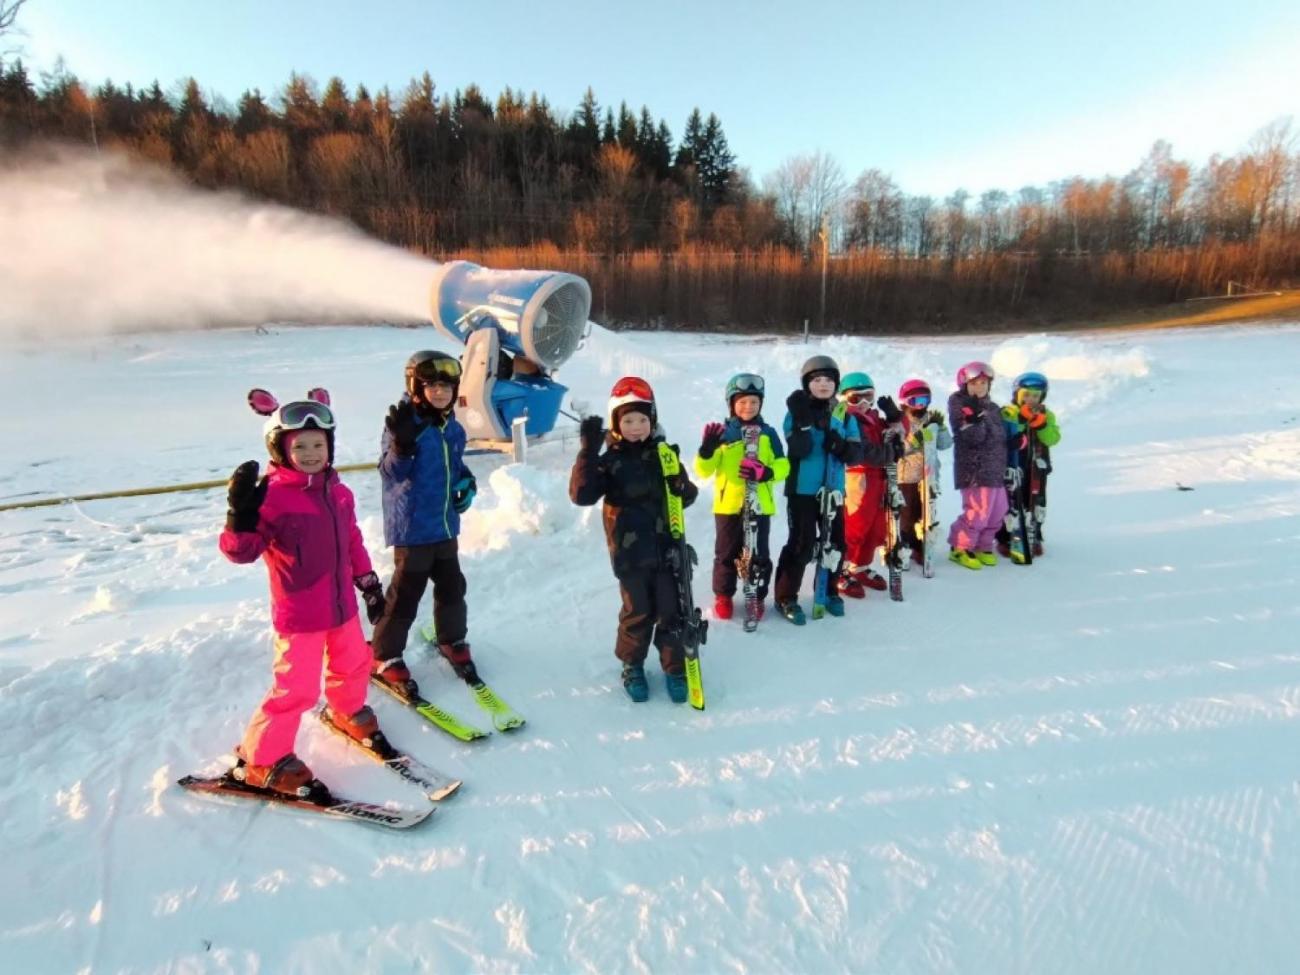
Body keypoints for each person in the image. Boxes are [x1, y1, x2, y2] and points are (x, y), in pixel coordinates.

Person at [220, 388, 388, 796]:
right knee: (296, 689)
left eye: (318, 445)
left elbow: (352, 540)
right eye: (301, 446)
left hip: (342, 607)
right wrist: (239, 518)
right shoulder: (272, 498)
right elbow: (242, 552)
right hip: (300, 615)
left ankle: (347, 709)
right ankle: (262, 759)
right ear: (281, 449)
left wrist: (367, 582)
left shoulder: (338, 492)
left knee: (353, 662)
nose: (311, 454)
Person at [569, 377, 699, 703]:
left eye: (642, 419)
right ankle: (632, 665)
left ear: (652, 420)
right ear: (616, 424)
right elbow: (582, 495)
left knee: (671, 611)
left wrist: (681, 486)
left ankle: (674, 667)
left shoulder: (664, 455)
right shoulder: (609, 461)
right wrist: (587, 452)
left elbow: (687, 496)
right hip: (630, 554)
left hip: (667, 550)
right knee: (638, 612)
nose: (636, 427)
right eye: (628, 421)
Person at [370, 351, 479, 695]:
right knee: (406, 594)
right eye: (432, 386)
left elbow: (455, 466)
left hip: (445, 526)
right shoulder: (404, 426)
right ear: (416, 388)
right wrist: (402, 445)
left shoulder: (453, 428)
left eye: (447, 387)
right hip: (413, 528)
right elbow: (390, 473)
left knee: (452, 588)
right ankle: (385, 654)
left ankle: (452, 638)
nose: (441, 393)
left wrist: (468, 482)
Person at [773, 356, 864, 624]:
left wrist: (840, 446)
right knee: (802, 544)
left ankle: (829, 590)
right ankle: (786, 596)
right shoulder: (796, 411)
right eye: (816, 380)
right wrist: (804, 423)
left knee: (835, 543)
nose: (823, 384)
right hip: (802, 490)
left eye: (828, 380)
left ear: (836, 384)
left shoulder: (844, 415)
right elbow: (799, 449)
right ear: (807, 384)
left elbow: (855, 455)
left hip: (833, 490)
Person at [694, 372, 789, 621]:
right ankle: (723, 596)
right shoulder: (724, 434)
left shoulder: (768, 433)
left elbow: (784, 465)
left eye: (754, 402)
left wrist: (767, 472)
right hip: (728, 506)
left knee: (759, 554)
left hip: (760, 505)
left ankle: (756, 595)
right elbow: (704, 471)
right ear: (731, 404)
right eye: (742, 402)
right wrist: (707, 451)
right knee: (726, 553)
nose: (748, 407)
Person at [836, 372, 906, 597]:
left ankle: (860, 566)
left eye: (868, 397)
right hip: (859, 478)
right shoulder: (847, 420)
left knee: (876, 529)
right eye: (856, 398)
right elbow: (865, 452)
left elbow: (901, 433)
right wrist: (891, 452)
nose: (863, 403)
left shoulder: (875, 418)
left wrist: (895, 416)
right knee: (855, 526)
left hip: (880, 479)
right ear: (844, 399)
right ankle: (839, 569)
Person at [946, 361, 1009, 569]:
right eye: (974, 383)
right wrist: (973, 420)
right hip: (975, 470)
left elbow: (998, 436)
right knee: (978, 512)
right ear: (965, 385)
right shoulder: (959, 404)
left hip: (995, 469)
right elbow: (972, 438)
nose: (979, 387)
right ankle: (960, 547)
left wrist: (1014, 441)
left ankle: (983, 545)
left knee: (998, 511)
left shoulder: (993, 408)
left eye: (983, 383)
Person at [996, 371, 1062, 561]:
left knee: (1036, 500)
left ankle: (1035, 535)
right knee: (1010, 501)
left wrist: (1042, 426)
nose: (1030, 400)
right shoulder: (1008, 411)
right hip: (1013, 463)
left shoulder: (1046, 414)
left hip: (1037, 465)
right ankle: (1005, 537)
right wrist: (1021, 421)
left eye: (1035, 395)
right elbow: (1003, 434)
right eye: (1026, 395)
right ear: (1017, 394)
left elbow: (1053, 439)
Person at [896, 379, 952, 568]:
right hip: (906, 478)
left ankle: (921, 547)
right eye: (915, 401)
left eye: (924, 400)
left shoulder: (930, 420)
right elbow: (898, 449)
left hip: (928, 477)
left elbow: (946, 444)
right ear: (905, 402)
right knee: (907, 515)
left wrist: (940, 428)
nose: (920, 406)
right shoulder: (900, 422)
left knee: (925, 513)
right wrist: (914, 440)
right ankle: (904, 545)